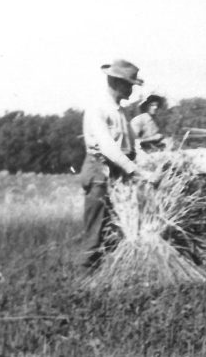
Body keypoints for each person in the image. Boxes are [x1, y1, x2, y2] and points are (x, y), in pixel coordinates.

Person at [79, 59, 151, 269]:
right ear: (117, 83)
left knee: (115, 227)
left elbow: (133, 144)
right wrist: (135, 171)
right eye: (129, 85)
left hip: (118, 172)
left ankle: (110, 275)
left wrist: (148, 164)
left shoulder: (120, 111)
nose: (131, 90)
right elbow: (108, 148)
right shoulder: (98, 108)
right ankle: (86, 281)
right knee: (96, 229)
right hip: (99, 171)